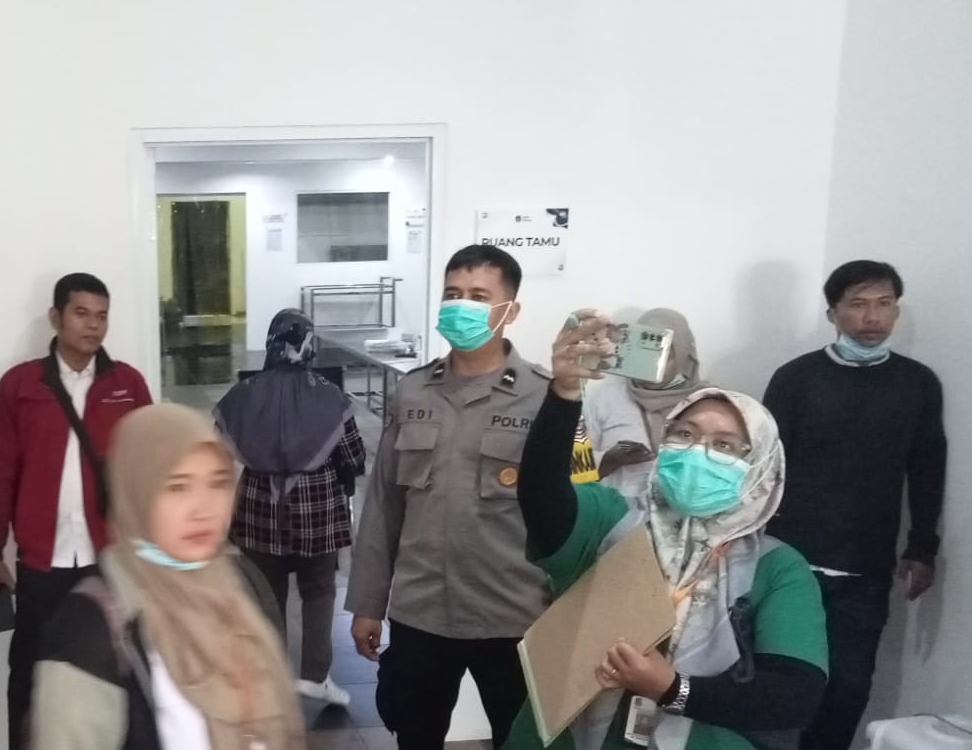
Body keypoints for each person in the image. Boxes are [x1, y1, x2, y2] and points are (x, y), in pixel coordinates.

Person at [505, 311, 828, 750]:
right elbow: (542, 497)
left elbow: (793, 697)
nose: (698, 452)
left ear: (759, 468)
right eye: (685, 434)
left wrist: (673, 689)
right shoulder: (614, 518)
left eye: (725, 445)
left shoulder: (776, 568)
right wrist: (564, 393)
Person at [345, 244, 552, 750]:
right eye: (453, 294)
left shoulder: (547, 397)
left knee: (522, 740)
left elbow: (572, 517)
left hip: (514, 613)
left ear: (510, 310)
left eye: (479, 296)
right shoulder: (413, 392)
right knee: (415, 736)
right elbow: (384, 505)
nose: (462, 306)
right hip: (422, 612)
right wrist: (368, 603)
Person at [31, 404, 307, 750]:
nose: (203, 509)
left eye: (218, 483)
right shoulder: (92, 627)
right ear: (138, 492)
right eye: (177, 487)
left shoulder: (242, 583)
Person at [763, 260, 947, 750]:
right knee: (779, 683)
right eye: (859, 304)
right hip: (789, 561)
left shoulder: (917, 384)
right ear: (833, 314)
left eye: (884, 304)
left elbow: (927, 468)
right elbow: (766, 466)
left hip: (865, 568)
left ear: (896, 311)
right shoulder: (796, 378)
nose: (872, 316)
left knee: (847, 689)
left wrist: (922, 548)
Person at [0, 272, 155, 749]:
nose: (93, 325)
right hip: (42, 564)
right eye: (81, 313)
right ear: (56, 317)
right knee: (30, 679)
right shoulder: (20, 386)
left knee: (115, 676)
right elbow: (0, 473)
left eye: (102, 316)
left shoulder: (127, 385)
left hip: (110, 561)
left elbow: (147, 469)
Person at [215, 308, 367, 707]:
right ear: (309, 344)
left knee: (266, 594)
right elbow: (353, 456)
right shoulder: (330, 395)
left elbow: (218, 449)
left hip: (258, 507)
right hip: (318, 507)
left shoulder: (243, 394)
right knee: (318, 590)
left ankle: (269, 680)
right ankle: (316, 677)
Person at [580, 308, 709, 497]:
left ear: (683, 356)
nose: (650, 364)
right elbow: (573, 469)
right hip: (617, 512)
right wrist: (609, 459)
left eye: (664, 355)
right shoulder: (603, 398)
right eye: (643, 352)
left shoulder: (710, 403)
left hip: (685, 512)